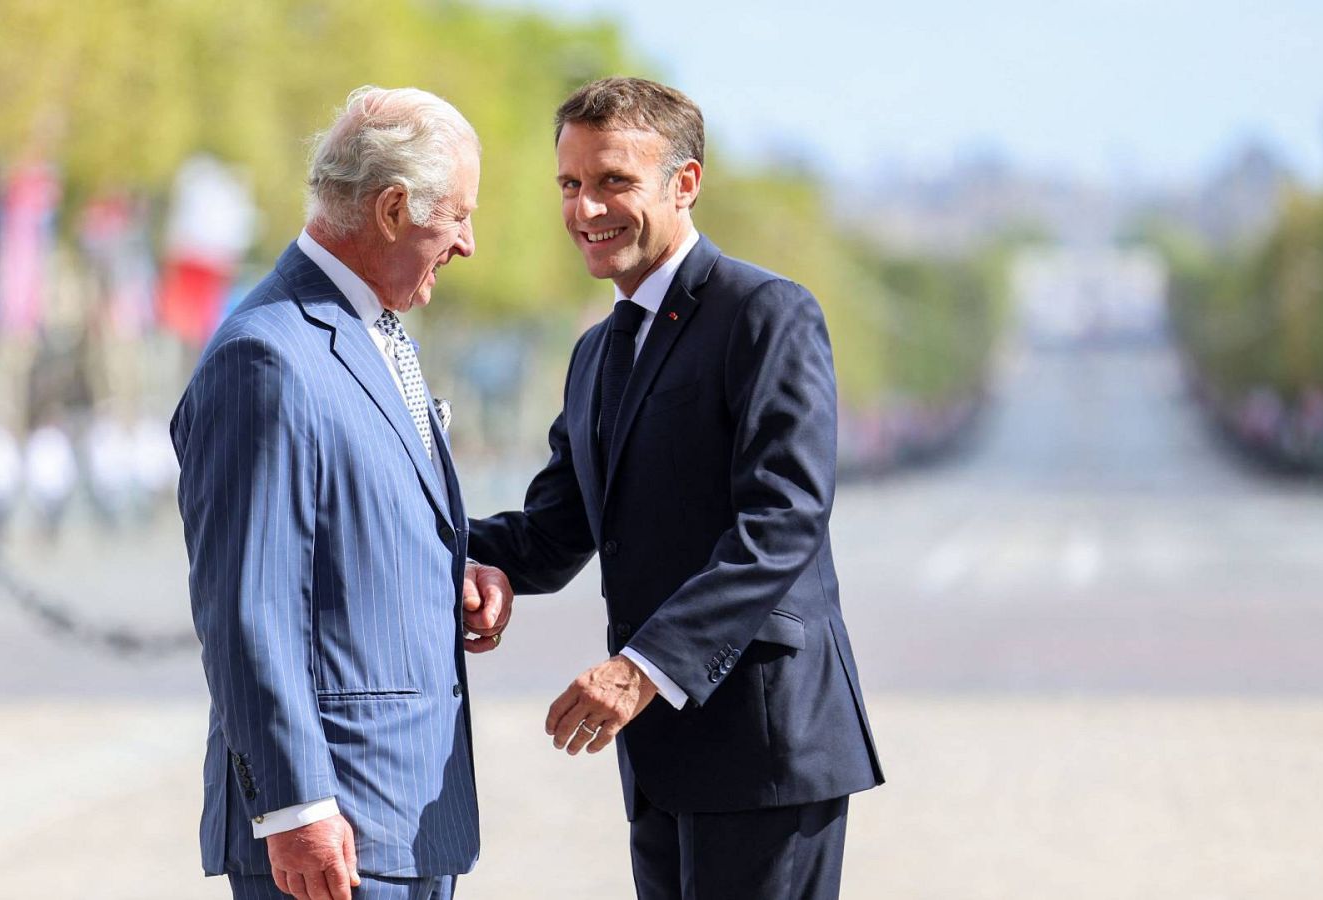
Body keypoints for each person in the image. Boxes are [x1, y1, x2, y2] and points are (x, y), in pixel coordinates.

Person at [468, 77, 883, 899]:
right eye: (571, 185)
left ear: (684, 182)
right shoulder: (596, 355)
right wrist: (405, 529)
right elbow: (551, 537)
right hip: (659, 757)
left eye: (614, 181)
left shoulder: (768, 314)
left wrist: (639, 670)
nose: (587, 209)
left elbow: (784, 520)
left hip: (765, 753)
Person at [171, 86, 510, 900]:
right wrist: (294, 803)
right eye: (458, 214)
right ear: (393, 208)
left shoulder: (372, 332)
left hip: (407, 820)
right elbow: (247, 606)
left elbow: (359, 527)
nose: (468, 242)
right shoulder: (267, 357)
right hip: (335, 830)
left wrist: (450, 573)